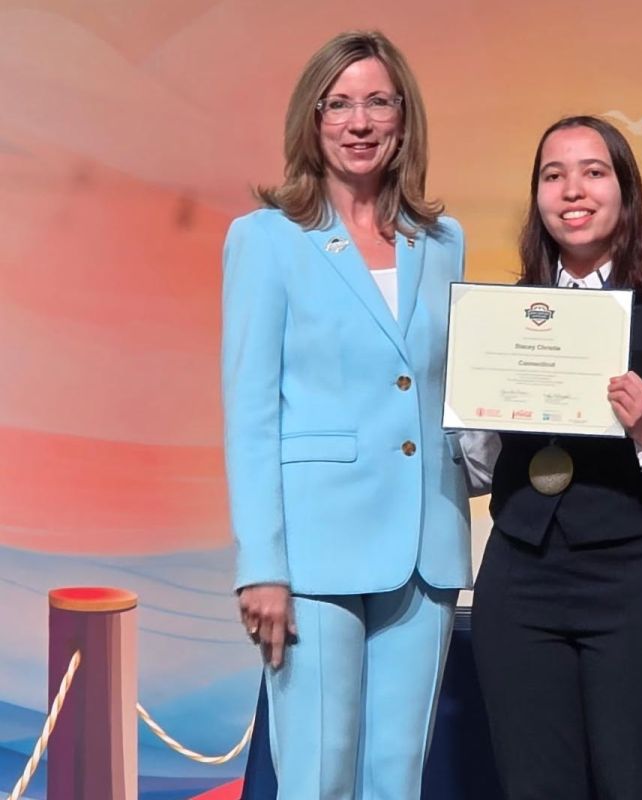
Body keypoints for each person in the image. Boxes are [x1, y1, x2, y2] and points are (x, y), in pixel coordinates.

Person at [221, 30, 471, 799]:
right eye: (340, 104)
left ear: (404, 119)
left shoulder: (443, 241)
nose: (359, 122)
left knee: (397, 780)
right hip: (314, 555)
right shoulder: (266, 239)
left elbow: (450, 389)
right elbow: (250, 411)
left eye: (377, 102)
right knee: (318, 778)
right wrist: (262, 563)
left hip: (426, 550)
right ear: (313, 118)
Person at [462, 115, 642, 800]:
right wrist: (462, 409)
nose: (572, 190)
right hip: (519, 582)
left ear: (625, 191)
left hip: (637, 581)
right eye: (552, 175)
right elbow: (476, 466)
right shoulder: (504, 317)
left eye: (592, 171)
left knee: (637, 784)